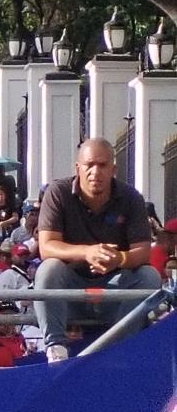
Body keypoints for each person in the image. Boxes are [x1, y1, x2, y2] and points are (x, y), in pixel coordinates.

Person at [34, 138, 163, 362]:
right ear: (78, 168)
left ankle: (118, 348)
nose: (96, 172)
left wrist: (119, 258)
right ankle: (56, 349)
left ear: (113, 169)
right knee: (48, 269)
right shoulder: (58, 192)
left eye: (102, 165)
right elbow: (46, 247)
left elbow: (143, 251)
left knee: (149, 276)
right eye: (89, 165)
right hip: (70, 290)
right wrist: (87, 252)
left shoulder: (131, 197)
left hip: (114, 289)